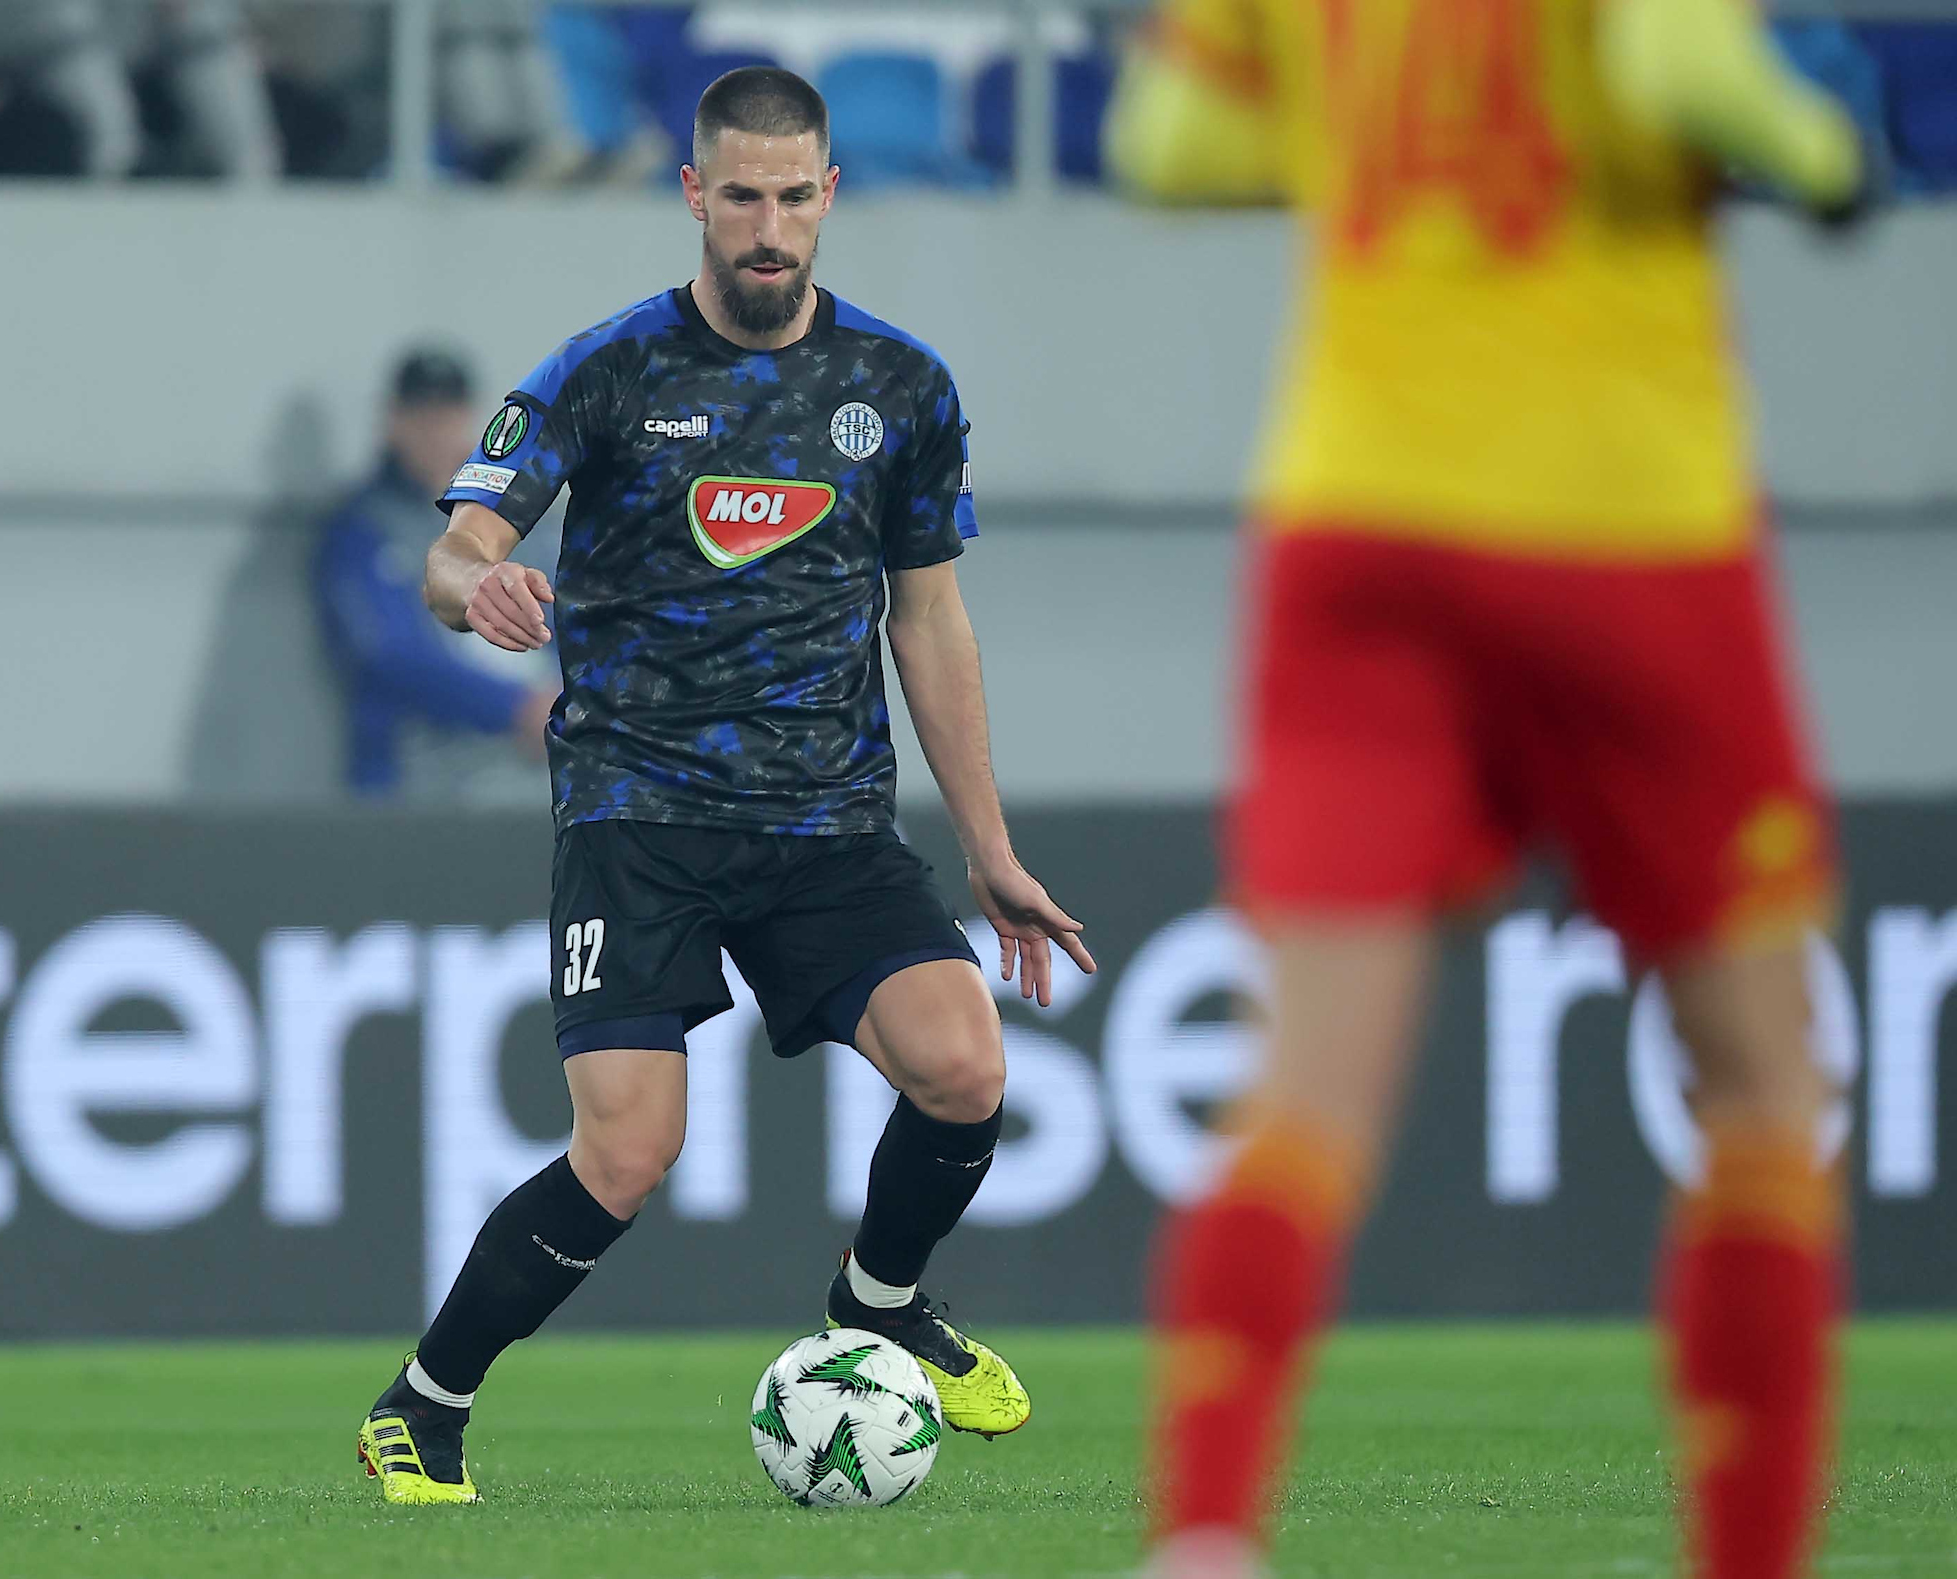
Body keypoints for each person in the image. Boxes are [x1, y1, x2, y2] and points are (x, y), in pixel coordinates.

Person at [1105, 3, 1875, 1576]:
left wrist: (1367, 158)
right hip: (1626, 519)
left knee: (1301, 1094)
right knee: (1762, 1093)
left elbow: (1164, 144)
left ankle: (1206, 1531)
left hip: (1355, 519)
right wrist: (1827, 158)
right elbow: (1679, 66)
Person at [357, 65, 1096, 1505]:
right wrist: (476, 586)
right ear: (695, 194)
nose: (769, 227)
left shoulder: (902, 387)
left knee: (966, 1067)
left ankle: (878, 1299)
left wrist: (990, 845)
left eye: (794, 197)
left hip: (827, 819)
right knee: (629, 1150)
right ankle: (422, 1403)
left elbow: (929, 617)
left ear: (830, 196)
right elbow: (455, 549)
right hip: (639, 815)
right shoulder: (606, 371)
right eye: (742, 196)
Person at [315, 347, 556, 803]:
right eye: (420, 415)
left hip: (532, 773)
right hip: (415, 781)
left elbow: (567, 622)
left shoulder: (517, 516)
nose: (435, 431)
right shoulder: (363, 527)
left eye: (447, 415)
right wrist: (516, 708)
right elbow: (385, 656)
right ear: (393, 421)